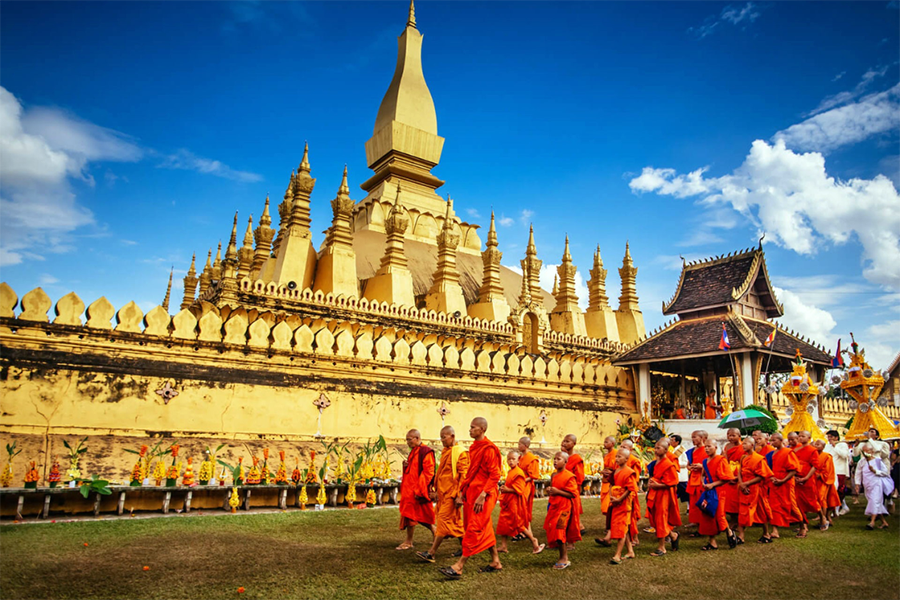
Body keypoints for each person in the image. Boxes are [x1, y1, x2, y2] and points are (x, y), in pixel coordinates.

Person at [440, 417, 502, 579]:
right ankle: (495, 560)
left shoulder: (489, 449)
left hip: (484, 494)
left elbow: (495, 475)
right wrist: (464, 491)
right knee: (482, 526)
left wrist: (483, 495)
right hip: (473, 493)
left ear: (482, 429)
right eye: (470, 427)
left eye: (473, 427)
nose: (470, 430)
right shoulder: (474, 447)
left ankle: (459, 566)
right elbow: (472, 473)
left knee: (475, 527)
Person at [417, 426, 468, 563]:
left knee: (443, 522)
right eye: (441, 437)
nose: (442, 440)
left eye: (444, 437)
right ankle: (466, 548)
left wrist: (459, 495)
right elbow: (441, 473)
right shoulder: (446, 451)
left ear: (452, 436)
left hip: (452, 494)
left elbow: (464, 476)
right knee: (455, 523)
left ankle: (432, 552)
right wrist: (435, 488)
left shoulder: (460, 453)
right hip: (443, 493)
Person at [497, 450, 544, 554]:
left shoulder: (519, 472)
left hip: (514, 503)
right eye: (508, 459)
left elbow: (520, 489)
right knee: (503, 524)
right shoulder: (510, 472)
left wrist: (507, 490)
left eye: (513, 459)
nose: (510, 461)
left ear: (518, 460)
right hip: (507, 502)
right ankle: (503, 546)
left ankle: (534, 542)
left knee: (519, 525)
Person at [397, 429, 436, 550]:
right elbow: (413, 469)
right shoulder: (414, 451)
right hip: (409, 489)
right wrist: (406, 466)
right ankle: (434, 531)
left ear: (417, 438)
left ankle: (409, 541)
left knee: (415, 515)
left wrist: (420, 489)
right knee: (414, 515)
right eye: (407, 440)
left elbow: (429, 472)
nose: (408, 442)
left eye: (409, 439)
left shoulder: (425, 451)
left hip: (417, 489)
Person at [697, 438, 736, 549]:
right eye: (706, 447)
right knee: (708, 514)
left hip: (719, 491)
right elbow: (703, 474)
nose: (707, 449)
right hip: (708, 490)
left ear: (716, 447)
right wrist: (702, 482)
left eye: (709, 446)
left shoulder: (720, 460)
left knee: (719, 515)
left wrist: (713, 485)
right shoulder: (705, 461)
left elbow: (727, 478)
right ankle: (712, 542)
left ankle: (729, 532)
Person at [544, 451, 580, 569]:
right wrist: (550, 489)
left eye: (558, 459)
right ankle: (561, 555)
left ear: (565, 461)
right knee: (553, 528)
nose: (555, 461)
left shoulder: (569, 476)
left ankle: (564, 558)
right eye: (554, 459)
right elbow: (554, 488)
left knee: (560, 530)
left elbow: (572, 494)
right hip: (554, 506)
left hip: (564, 507)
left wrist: (557, 492)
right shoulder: (554, 475)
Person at [646, 438, 681, 556]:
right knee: (656, 519)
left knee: (661, 519)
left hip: (663, 495)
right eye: (655, 448)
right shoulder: (656, 462)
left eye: (658, 448)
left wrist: (658, 485)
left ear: (666, 450)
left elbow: (674, 481)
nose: (656, 450)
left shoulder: (668, 464)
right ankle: (673, 535)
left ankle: (662, 547)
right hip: (654, 494)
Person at [737, 436, 774, 544]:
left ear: (752, 445)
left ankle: (766, 534)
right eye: (743, 443)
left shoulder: (759, 458)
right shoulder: (743, 457)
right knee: (742, 511)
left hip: (755, 488)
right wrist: (741, 484)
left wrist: (747, 483)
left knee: (761, 512)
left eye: (746, 443)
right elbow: (740, 472)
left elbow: (762, 476)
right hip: (744, 488)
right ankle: (741, 536)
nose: (743, 445)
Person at [766, 432, 801, 540]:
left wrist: (783, 480)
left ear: (781, 440)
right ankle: (775, 530)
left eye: (774, 440)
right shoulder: (773, 453)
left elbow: (793, 470)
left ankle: (803, 526)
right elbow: (771, 468)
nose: (772, 442)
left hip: (786, 482)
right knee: (774, 506)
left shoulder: (788, 452)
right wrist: (772, 478)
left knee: (791, 505)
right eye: (771, 440)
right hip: (775, 482)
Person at [607, 448, 638, 565]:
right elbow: (611, 485)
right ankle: (630, 551)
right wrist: (611, 496)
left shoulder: (628, 472)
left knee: (622, 529)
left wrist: (619, 499)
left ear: (626, 459)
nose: (617, 459)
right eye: (616, 457)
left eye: (619, 457)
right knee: (622, 528)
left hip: (624, 504)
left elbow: (630, 489)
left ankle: (617, 555)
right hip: (615, 503)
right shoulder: (616, 471)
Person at [792, 430, 824, 538]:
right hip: (797, 478)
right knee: (798, 502)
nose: (800, 438)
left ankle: (822, 517)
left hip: (808, 479)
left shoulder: (812, 450)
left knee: (811, 501)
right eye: (799, 436)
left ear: (809, 438)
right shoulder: (795, 450)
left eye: (803, 436)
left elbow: (815, 466)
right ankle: (804, 525)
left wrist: (806, 477)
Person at [854, 441, 892, 530]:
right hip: (867, 485)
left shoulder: (878, 461)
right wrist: (857, 484)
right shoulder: (862, 461)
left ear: (871, 451)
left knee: (874, 501)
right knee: (875, 502)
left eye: (867, 451)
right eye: (863, 451)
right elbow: (858, 473)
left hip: (877, 484)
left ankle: (872, 522)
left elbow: (886, 473)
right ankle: (884, 522)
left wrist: (875, 471)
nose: (865, 453)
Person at [513, 436, 541, 542]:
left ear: (526, 445)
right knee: (518, 507)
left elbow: (534, 475)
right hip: (518, 485)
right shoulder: (520, 458)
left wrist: (523, 480)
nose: (518, 446)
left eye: (520, 444)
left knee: (523, 508)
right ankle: (521, 531)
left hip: (526, 485)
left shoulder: (532, 458)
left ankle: (527, 532)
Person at [561, 434, 585, 538]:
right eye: (564, 441)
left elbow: (579, 478)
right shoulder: (562, 457)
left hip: (571, 490)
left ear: (574, 444)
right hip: (560, 489)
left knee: (570, 512)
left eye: (568, 441)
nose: (565, 443)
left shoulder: (576, 459)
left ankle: (576, 529)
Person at [813, 439, 841, 529]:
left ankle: (823, 520)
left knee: (822, 499)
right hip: (814, 480)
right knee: (817, 499)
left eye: (818, 444)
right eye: (815, 444)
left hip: (823, 481)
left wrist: (820, 475)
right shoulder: (814, 455)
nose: (815, 446)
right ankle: (824, 518)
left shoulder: (827, 456)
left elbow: (828, 470)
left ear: (823, 447)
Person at [686, 430, 710, 534]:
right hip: (693, 477)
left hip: (702, 478)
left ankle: (702, 521)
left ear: (703, 438)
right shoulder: (692, 451)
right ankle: (694, 520)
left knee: (701, 499)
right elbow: (688, 463)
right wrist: (689, 466)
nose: (693, 439)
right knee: (693, 500)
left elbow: (710, 463)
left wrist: (701, 466)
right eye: (692, 437)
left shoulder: (707, 450)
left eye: (695, 437)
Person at [721, 428, 744, 530]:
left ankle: (739, 522)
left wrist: (738, 476)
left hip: (740, 473)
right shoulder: (727, 446)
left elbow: (746, 462)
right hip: (728, 471)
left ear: (739, 436)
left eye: (733, 435)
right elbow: (724, 461)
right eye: (728, 435)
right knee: (729, 500)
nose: (730, 437)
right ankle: (733, 519)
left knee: (738, 499)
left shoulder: (743, 446)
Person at [825, 430, 851, 516]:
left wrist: (835, 446)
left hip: (839, 470)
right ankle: (842, 506)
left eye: (831, 437)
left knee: (839, 489)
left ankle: (837, 508)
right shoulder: (827, 446)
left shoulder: (842, 445)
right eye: (828, 437)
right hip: (829, 470)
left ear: (836, 437)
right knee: (831, 489)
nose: (829, 439)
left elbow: (844, 455)